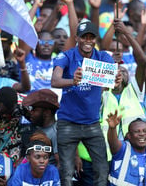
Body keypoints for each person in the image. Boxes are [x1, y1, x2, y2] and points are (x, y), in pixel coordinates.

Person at [51, 20, 122, 185]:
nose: (88, 41)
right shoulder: (66, 56)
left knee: (102, 169)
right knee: (67, 173)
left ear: (95, 39)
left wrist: (116, 81)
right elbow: (55, 81)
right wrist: (72, 81)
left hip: (92, 123)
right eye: (84, 37)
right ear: (76, 38)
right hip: (68, 122)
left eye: (91, 37)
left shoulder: (103, 57)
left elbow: (112, 82)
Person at [22, 89, 60, 166]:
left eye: (35, 110)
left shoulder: (55, 132)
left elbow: (60, 163)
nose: (31, 113)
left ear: (47, 112)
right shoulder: (36, 125)